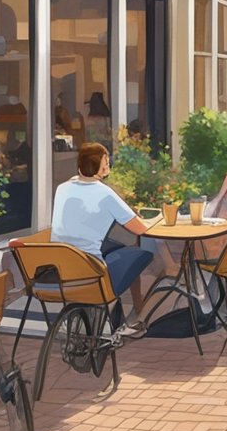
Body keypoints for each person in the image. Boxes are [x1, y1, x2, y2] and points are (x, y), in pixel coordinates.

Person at [50, 142, 153, 333]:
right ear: (102, 165)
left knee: (112, 247)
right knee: (141, 254)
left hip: (61, 262)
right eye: (107, 161)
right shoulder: (105, 193)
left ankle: (114, 317)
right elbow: (139, 229)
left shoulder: (62, 188)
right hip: (90, 266)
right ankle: (127, 318)